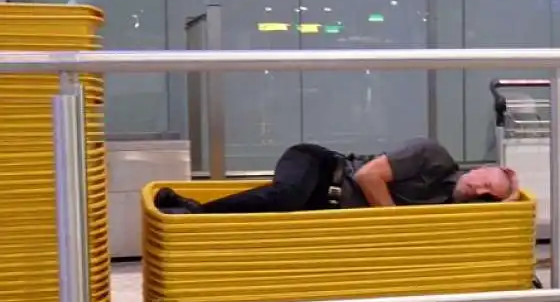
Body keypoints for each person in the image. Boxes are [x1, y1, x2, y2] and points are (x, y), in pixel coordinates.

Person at [154, 138, 520, 214]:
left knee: (284, 206)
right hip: (318, 166)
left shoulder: (446, 210)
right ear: (478, 167)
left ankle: (187, 206)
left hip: (320, 203)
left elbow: (506, 215)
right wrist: (396, 222)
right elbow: (368, 176)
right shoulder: (434, 157)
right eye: (486, 178)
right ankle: (194, 213)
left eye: (488, 193)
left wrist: (511, 195)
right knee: (286, 197)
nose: (479, 188)